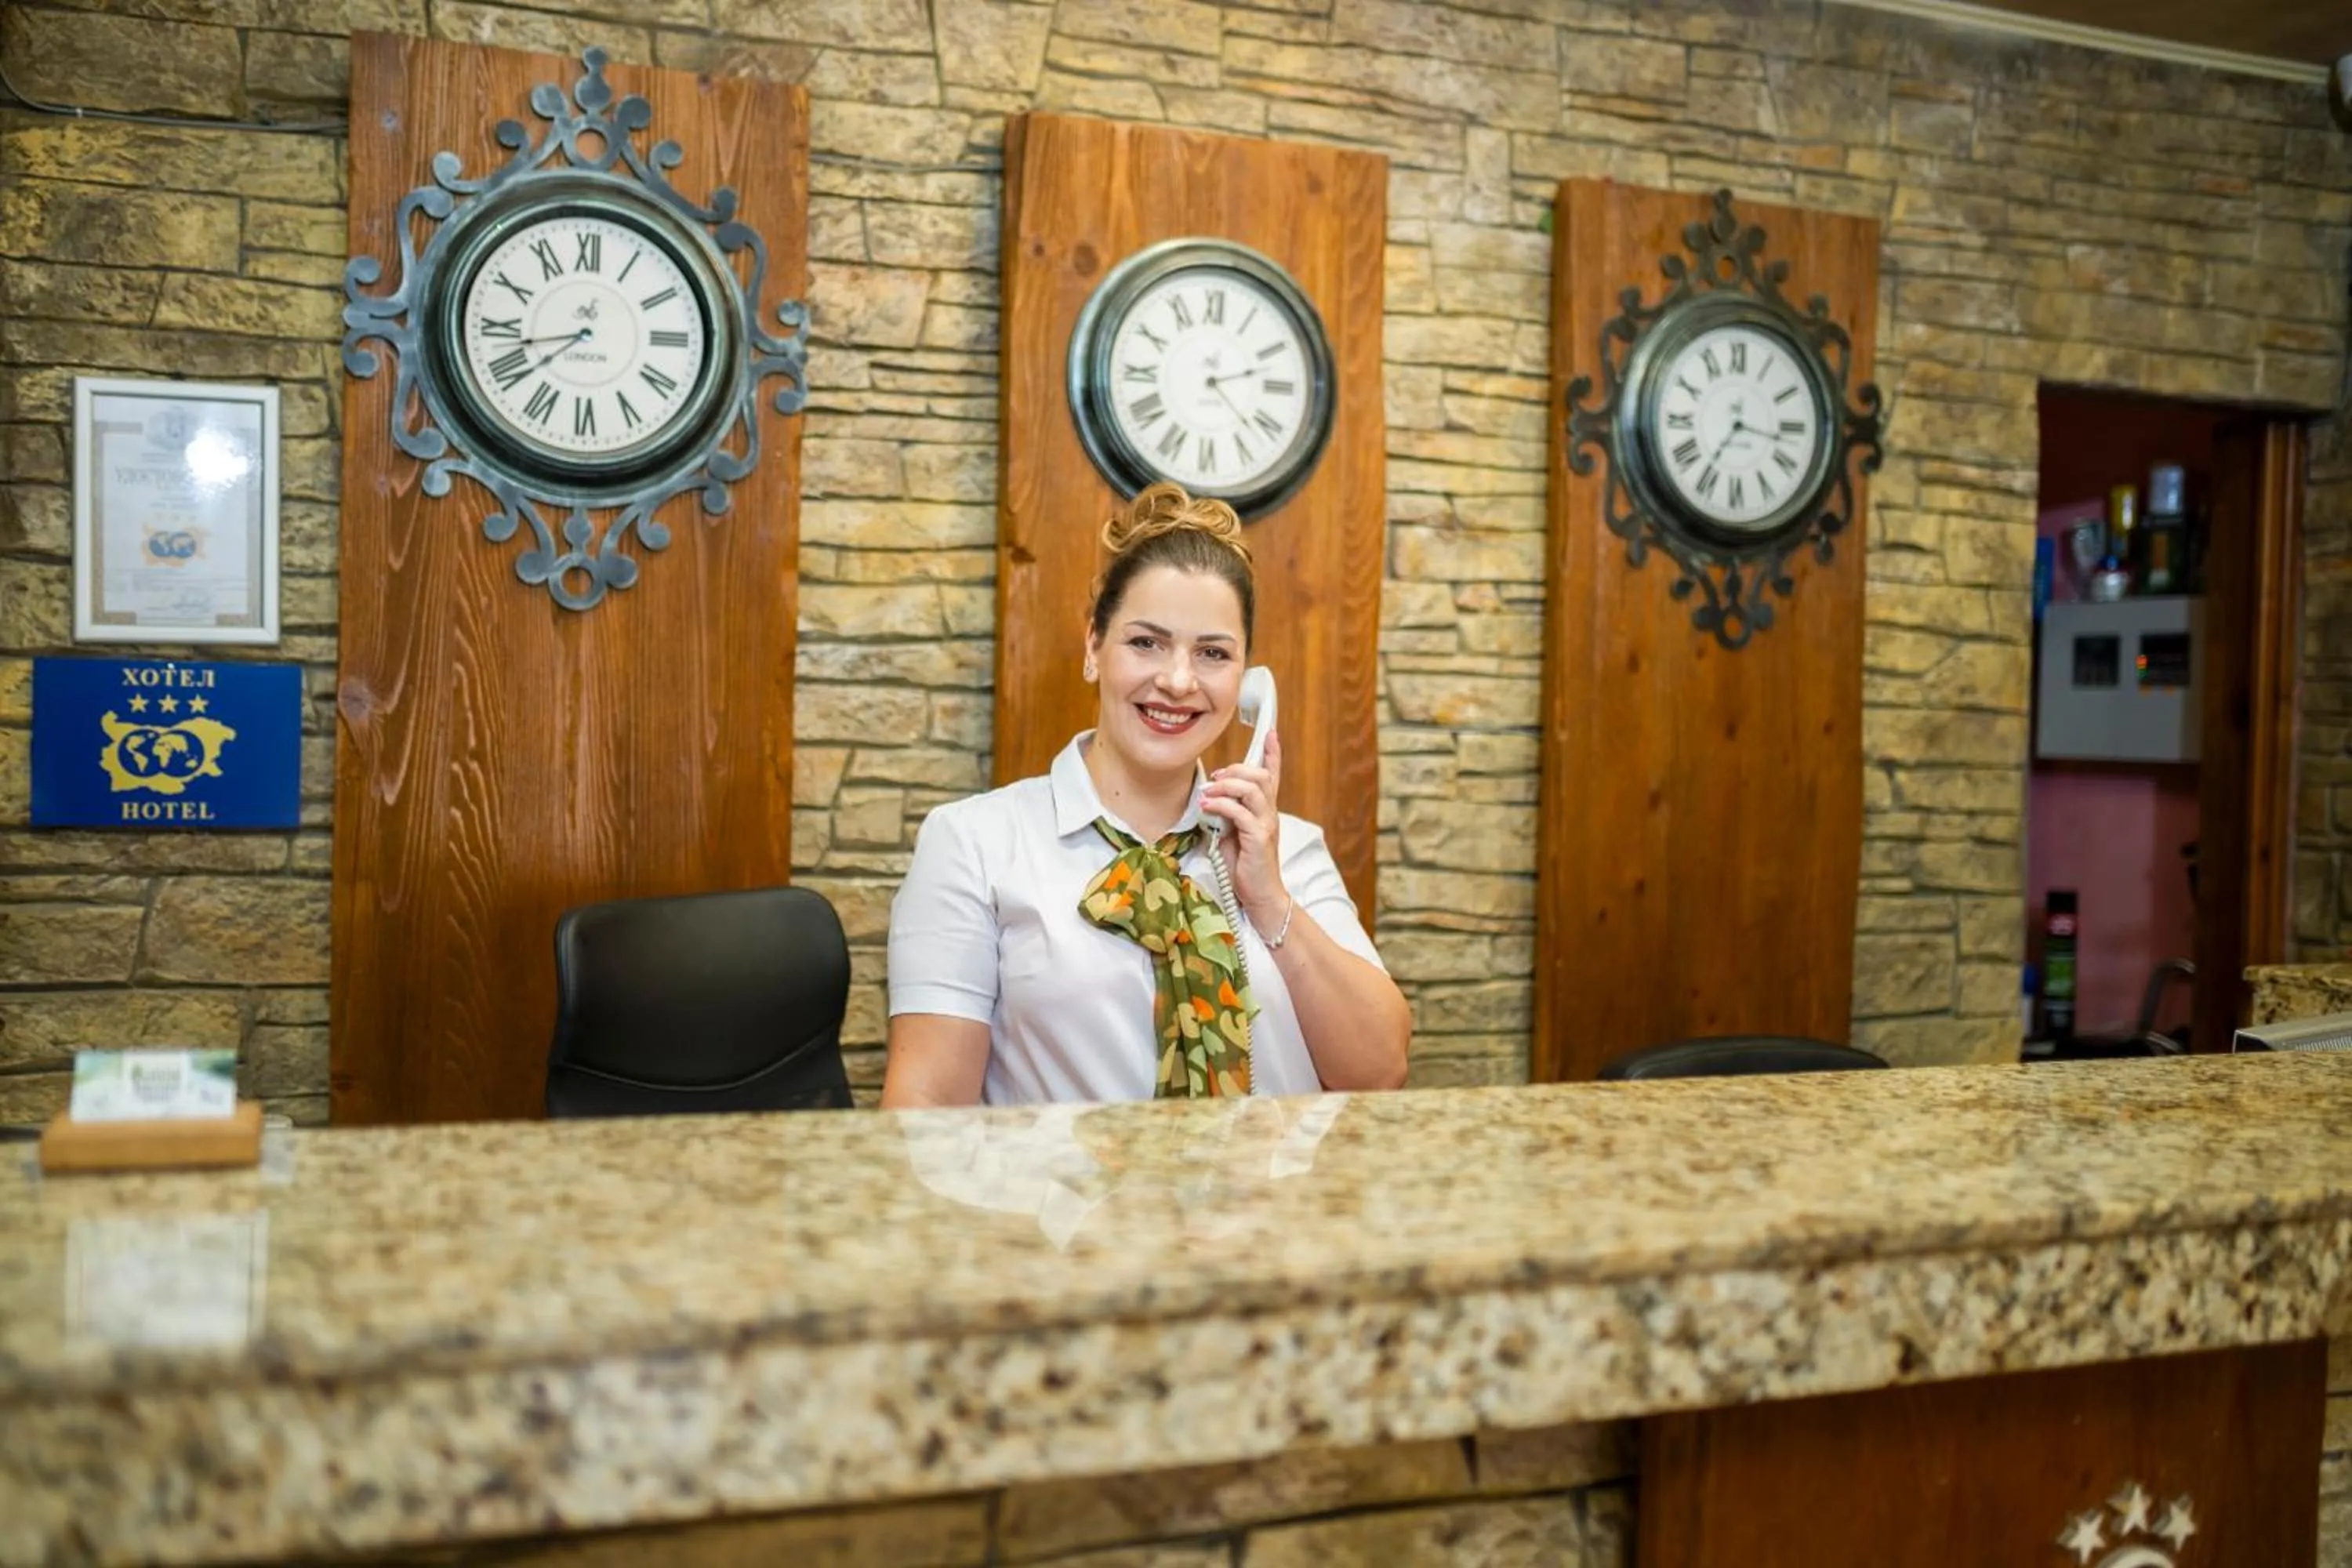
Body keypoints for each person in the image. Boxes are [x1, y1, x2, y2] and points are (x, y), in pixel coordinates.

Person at [882, 482, 1410, 1107]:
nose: (1178, 680)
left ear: (1247, 684)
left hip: (1272, 1203)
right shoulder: (974, 843)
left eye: (1212, 653)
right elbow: (926, 1118)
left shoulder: (1289, 850)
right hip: (1064, 1203)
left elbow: (1379, 1070)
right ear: (1093, 647)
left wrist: (1267, 900)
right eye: (1146, 643)